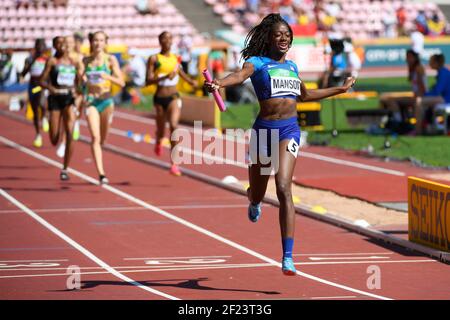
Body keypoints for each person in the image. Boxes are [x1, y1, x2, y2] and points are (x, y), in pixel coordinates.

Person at [204, 13, 355, 275]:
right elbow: (238, 76)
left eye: (287, 35)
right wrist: (219, 82)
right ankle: (253, 201)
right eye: (278, 35)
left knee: (284, 187)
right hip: (263, 131)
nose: (284, 38)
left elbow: (306, 95)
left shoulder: (293, 68)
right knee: (258, 192)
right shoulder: (257, 63)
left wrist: (339, 90)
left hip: (289, 130)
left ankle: (287, 256)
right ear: (269, 38)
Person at [146, 31, 197, 176]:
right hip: (159, 98)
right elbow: (148, 80)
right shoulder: (154, 59)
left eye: (169, 38)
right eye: (164, 38)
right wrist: (163, 78)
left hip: (174, 97)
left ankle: (174, 163)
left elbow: (180, 73)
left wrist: (191, 82)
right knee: (161, 130)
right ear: (159, 41)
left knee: (174, 126)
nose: (167, 41)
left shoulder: (176, 58)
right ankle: (158, 139)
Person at [82, 31, 125, 185]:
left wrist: (108, 77)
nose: (98, 43)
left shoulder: (110, 60)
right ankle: (101, 174)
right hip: (91, 102)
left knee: (103, 139)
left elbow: (121, 82)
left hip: (107, 102)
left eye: (101, 40)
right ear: (91, 42)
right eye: (95, 40)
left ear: (105, 43)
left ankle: (100, 148)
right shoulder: (85, 61)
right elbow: (79, 80)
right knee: (95, 137)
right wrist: (82, 79)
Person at [39, 36, 83, 180]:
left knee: (70, 133)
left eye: (65, 44)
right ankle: (58, 133)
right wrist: (51, 88)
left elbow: (80, 82)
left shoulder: (74, 61)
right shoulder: (52, 61)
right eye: (59, 44)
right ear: (55, 46)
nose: (62, 46)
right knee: (53, 138)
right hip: (55, 99)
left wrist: (78, 92)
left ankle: (65, 169)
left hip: (69, 99)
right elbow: (42, 80)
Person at [380, 49, 427, 126]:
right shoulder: (414, 68)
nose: (406, 59)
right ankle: (388, 121)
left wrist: (419, 98)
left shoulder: (419, 68)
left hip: (419, 97)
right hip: (416, 96)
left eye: (409, 57)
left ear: (414, 58)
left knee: (391, 100)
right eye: (406, 57)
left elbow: (422, 87)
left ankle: (398, 122)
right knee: (384, 98)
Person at [21, 39, 49, 148]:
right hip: (33, 86)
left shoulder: (47, 60)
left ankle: (45, 117)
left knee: (42, 103)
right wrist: (31, 63)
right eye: (38, 46)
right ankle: (38, 135)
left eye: (42, 46)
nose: (40, 48)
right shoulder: (30, 59)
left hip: (42, 86)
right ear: (36, 47)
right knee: (35, 111)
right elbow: (24, 73)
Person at [415, 53, 450, 134]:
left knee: (419, 101)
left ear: (437, 63)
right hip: (444, 98)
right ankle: (427, 126)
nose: (429, 63)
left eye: (431, 61)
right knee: (421, 102)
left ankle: (418, 130)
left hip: (446, 99)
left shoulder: (443, 73)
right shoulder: (442, 72)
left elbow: (438, 91)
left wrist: (425, 95)